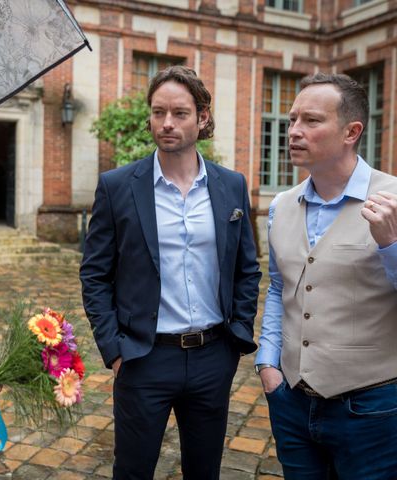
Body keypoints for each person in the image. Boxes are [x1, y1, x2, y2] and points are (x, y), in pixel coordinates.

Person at [80, 65, 261, 480]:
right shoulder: (118, 186)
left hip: (213, 356)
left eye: (179, 113)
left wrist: (236, 337)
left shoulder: (231, 185)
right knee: (132, 470)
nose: (166, 123)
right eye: (158, 111)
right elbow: (94, 274)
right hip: (144, 359)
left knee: (205, 471)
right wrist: (114, 348)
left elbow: (247, 268)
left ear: (202, 117)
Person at [255, 72, 397, 479]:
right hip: (292, 405)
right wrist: (268, 365)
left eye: (311, 121)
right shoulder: (282, 205)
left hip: (372, 411)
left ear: (352, 131)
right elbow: (280, 288)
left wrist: (391, 243)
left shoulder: (394, 200)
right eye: (292, 120)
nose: (294, 131)